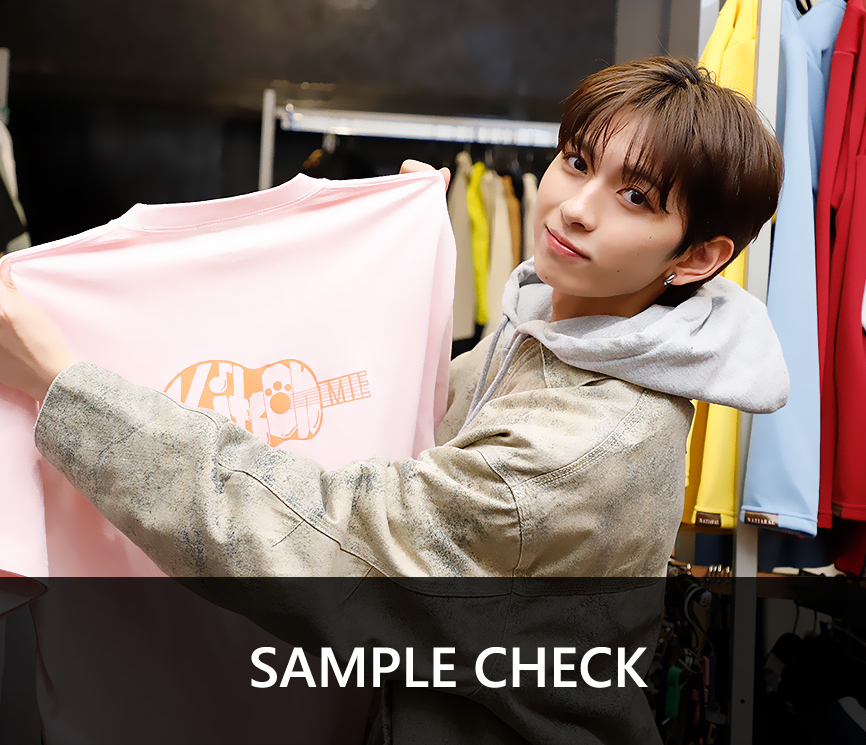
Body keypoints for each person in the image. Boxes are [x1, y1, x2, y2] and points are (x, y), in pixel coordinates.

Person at [0, 56, 787, 742]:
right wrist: (395, 268)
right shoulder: (556, 329)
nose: (577, 207)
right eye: (578, 162)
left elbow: (327, 543)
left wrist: (64, 386)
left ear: (698, 257)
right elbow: (412, 426)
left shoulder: (582, 447)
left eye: (637, 198)